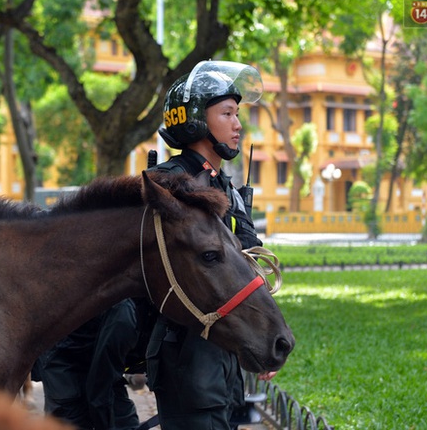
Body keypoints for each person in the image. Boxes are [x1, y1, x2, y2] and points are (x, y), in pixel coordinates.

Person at [145, 60, 271, 430]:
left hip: (225, 356)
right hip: (186, 358)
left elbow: (252, 260)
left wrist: (264, 334)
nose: (237, 124)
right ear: (197, 120)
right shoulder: (170, 185)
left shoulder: (226, 187)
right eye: (228, 113)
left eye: (237, 113)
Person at [35, 299, 149, 430]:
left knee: (120, 417)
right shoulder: (123, 315)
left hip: (98, 352)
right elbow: (100, 388)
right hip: (64, 357)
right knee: (70, 416)